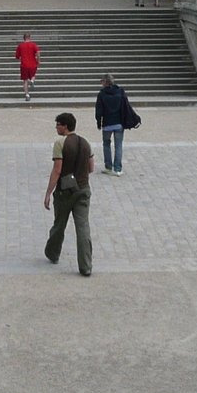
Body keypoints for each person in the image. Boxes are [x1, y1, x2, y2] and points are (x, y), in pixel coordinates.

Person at [44, 112, 94, 276]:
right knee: (83, 227)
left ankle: (53, 253)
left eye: (58, 124)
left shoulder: (60, 143)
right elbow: (91, 168)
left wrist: (48, 193)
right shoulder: (86, 143)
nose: (57, 127)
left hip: (65, 191)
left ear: (65, 126)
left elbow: (57, 170)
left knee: (59, 224)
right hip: (83, 188)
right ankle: (86, 265)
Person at [94, 74, 132, 176]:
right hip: (119, 123)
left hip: (107, 123)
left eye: (102, 81)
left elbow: (98, 110)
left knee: (106, 144)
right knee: (118, 145)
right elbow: (126, 106)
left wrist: (99, 122)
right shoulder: (120, 91)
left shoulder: (102, 94)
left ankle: (108, 166)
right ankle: (118, 169)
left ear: (105, 82)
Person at [16, 32, 39, 101]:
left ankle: (27, 95)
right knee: (33, 75)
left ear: (24, 38)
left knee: (25, 80)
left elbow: (17, 56)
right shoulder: (33, 45)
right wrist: (38, 59)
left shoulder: (20, 46)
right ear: (29, 38)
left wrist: (22, 58)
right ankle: (32, 81)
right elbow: (38, 52)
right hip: (33, 64)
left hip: (24, 65)